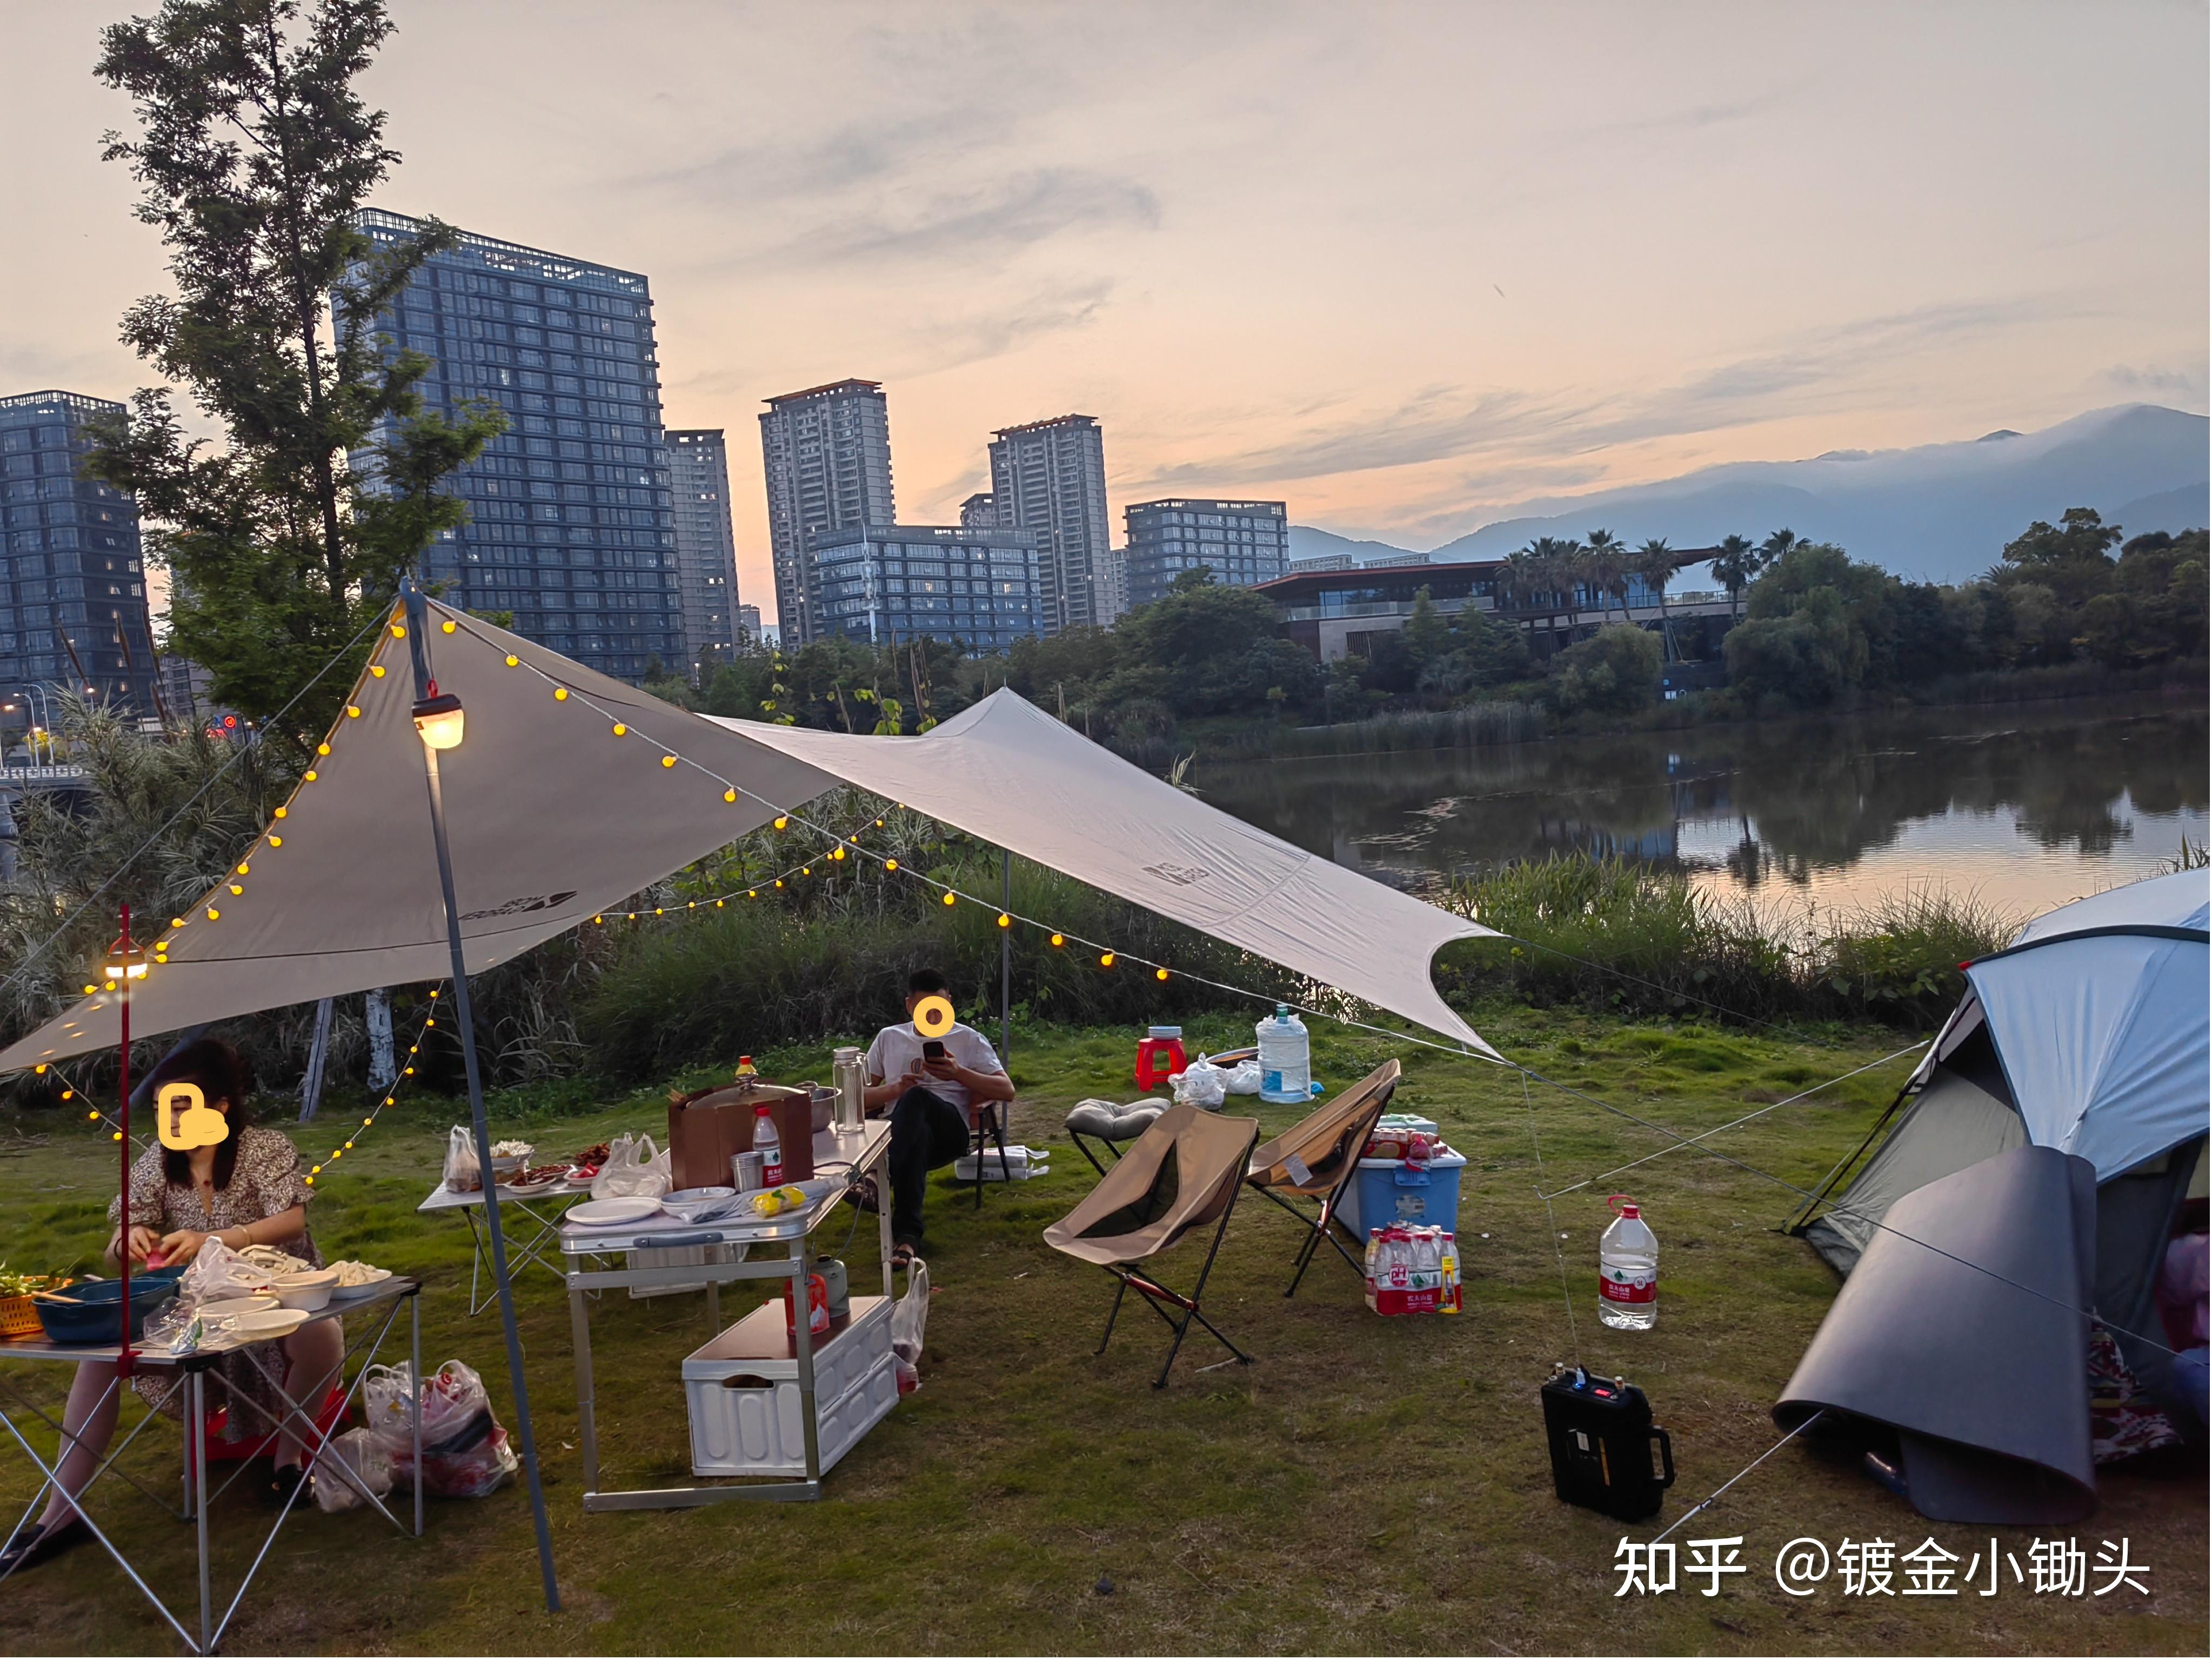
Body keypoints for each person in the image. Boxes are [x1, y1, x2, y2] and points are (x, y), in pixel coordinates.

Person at [0, 1039, 338, 1576]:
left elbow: (292, 1221)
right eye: (163, 1108)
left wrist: (222, 1239)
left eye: (181, 1106)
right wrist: (128, 1238)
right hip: (192, 1303)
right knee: (101, 1357)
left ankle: (289, 1462)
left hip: (270, 1288)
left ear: (221, 1106)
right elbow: (123, 1235)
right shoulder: (158, 1160)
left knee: (323, 1337)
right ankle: (59, 1516)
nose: (169, 1119)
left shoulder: (263, 1148)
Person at [862, 968, 1014, 1268]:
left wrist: (959, 1073)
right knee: (915, 1134)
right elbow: (857, 1099)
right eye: (923, 1010)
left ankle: (878, 1175)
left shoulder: (968, 1040)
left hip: (950, 1132)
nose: (932, 1018)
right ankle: (908, 1240)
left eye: (939, 1009)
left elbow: (1007, 1090)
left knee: (918, 1099)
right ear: (909, 1007)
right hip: (904, 1134)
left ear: (950, 1003)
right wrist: (894, 1089)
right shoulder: (889, 1038)